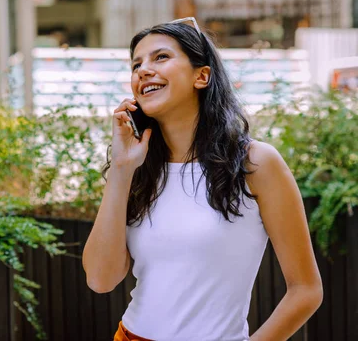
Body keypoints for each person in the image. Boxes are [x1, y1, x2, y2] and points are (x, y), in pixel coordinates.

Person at [82, 18, 323, 341]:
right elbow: (100, 279)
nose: (143, 70)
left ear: (202, 75)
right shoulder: (138, 168)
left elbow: (306, 290)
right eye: (136, 63)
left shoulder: (255, 163)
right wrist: (122, 170)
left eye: (161, 57)